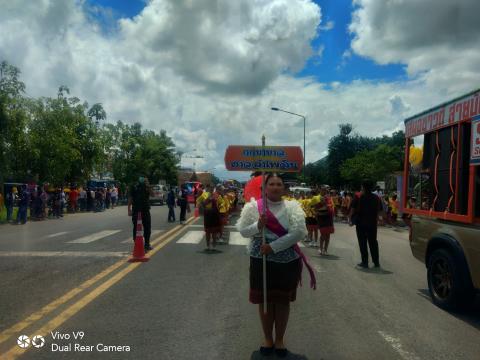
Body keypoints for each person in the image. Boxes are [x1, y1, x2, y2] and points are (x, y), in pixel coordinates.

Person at [237, 173, 315, 358]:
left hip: (286, 261)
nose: (275, 186)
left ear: (284, 188)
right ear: (264, 188)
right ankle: (267, 338)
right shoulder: (253, 207)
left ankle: (279, 339)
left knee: (282, 301)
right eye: (271, 183)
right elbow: (243, 232)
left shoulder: (292, 207)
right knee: (265, 300)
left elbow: (299, 232)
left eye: (279, 184)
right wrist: (258, 225)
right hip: (260, 260)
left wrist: (273, 247)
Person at [349, 180, 384, 268]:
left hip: (360, 223)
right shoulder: (376, 197)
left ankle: (365, 262)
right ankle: (376, 262)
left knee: (362, 243)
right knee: (373, 242)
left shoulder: (358, 196)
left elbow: (352, 209)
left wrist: (350, 219)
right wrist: (381, 220)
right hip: (372, 224)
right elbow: (380, 211)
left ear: (363, 187)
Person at [128, 177, 153, 252]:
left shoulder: (146, 187)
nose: (145, 181)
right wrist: (129, 209)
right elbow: (130, 197)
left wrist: (148, 186)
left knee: (147, 227)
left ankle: (146, 244)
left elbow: (152, 194)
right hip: (138, 210)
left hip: (144, 210)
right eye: (145, 179)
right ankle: (139, 245)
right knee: (137, 227)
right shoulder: (134, 186)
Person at [196, 184, 221, 250]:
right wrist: (203, 207)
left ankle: (214, 244)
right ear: (207, 188)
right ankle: (208, 245)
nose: (211, 189)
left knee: (214, 231)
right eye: (210, 188)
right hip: (207, 214)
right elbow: (198, 201)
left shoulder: (216, 195)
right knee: (208, 231)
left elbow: (220, 202)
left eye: (212, 188)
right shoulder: (204, 194)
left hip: (215, 214)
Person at [317, 187, 334, 255]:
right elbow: (316, 210)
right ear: (320, 191)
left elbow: (332, 208)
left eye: (325, 191)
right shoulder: (318, 198)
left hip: (329, 219)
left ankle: (325, 249)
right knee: (323, 235)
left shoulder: (330, 199)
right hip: (322, 219)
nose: (324, 192)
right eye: (322, 190)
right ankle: (320, 248)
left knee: (328, 235)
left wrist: (328, 206)